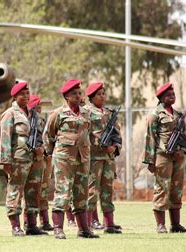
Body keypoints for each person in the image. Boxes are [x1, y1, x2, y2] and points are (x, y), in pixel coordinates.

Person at [43, 79, 99, 239]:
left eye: (79, 93)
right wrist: (52, 153)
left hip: (83, 158)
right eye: (74, 93)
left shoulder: (86, 113)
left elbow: (91, 133)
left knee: (82, 192)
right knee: (63, 191)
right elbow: (48, 135)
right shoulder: (58, 114)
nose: (78, 96)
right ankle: (58, 229)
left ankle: (84, 229)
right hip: (64, 159)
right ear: (66, 96)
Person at [143, 82, 186, 233]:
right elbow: (150, 138)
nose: (172, 97)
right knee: (162, 188)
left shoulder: (178, 115)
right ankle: (160, 225)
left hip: (177, 157)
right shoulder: (155, 115)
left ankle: (175, 225)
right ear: (162, 98)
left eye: (173, 95)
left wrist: (183, 150)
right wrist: (150, 161)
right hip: (162, 156)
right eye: (168, 95)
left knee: (176, 189)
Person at [0, 82, 45, 237]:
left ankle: (31, 225)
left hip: (35, 159)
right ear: (15, 96)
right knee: (15, 191)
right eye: (22, 94)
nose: (26, 96)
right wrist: (5, 161)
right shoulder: (10, 114)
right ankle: (15, 226)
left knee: (33, 191)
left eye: (27, 93)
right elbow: (5, 138)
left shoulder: (34, 114)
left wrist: (42, 148)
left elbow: (40, 135)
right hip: (19, 159)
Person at [84, 82, 122, 234]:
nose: (102, 96)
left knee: (107, 190)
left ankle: (109, 224)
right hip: (93, 157)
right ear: (91, 97)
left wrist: (115, 146)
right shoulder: (86, 112)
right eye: (98, 94)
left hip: (108, 157)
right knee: (92, 190)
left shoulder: (108, 113)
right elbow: (85, 133)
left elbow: (117, 133)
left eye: (103, 93)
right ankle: (88, 223)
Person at [23, 94, 49, 235]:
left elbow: (47, 138)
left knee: (40, 189)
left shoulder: (42, 120)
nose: (39, 107)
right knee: (26, 191)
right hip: (26, 158)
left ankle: (42, 221)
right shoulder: (25, 119)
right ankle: (27, 221)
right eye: (37, 104)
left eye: (40, 105)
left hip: (42, 158)